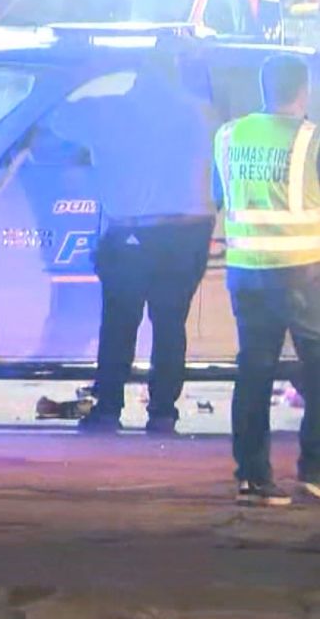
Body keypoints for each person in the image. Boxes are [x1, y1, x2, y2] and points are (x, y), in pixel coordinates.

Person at [47, 42, 218, 434]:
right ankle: (162, 412)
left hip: (132, 234)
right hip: (189, 230)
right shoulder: (200, 112)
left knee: (120, 323)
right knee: (170, 324)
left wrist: (85, 73)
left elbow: (57, 120)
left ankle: (108, 408)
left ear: (138, 73)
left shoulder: (111, 109)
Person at [213, 53, 320, 507]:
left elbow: (222, 196)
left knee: (254, 372)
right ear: (304, 90)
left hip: (246, 274)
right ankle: (314, 469)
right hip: (301, 274)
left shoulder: (229, 135)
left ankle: (252, 477)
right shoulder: (310, 139)